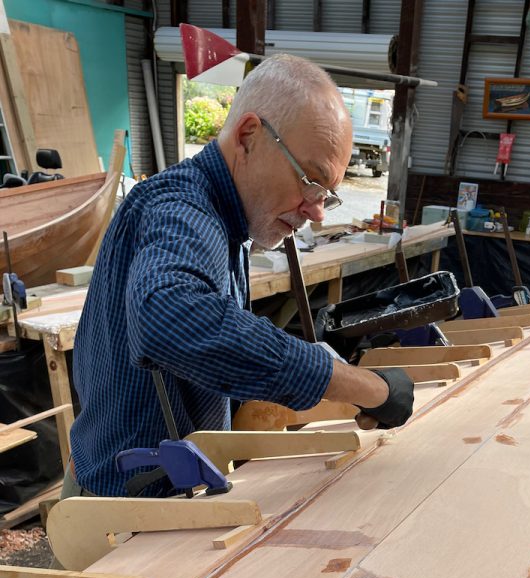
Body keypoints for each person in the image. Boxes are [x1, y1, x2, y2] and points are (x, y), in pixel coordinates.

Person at [65, 54, 413, 498]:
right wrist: (365, 387)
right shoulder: (182, 209)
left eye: (327, 194)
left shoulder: (229, 221)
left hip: (152, 495)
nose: (317, 211)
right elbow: (168, 319)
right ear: (249, 136)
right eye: (311, 180)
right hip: (119, 517)